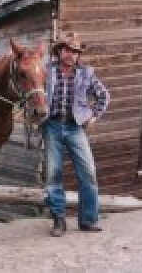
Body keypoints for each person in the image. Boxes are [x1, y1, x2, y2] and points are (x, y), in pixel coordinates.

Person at [42, 32, 110, 237]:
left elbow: (104, 96)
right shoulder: (47, 70)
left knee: (88, 172)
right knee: (53, 174)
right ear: (59, 51)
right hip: (52, 126)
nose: (71, 54)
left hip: (75, 128)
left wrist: (94, 116)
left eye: (75, 52)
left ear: (79, 55)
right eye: (67, 50)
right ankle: (59, 221)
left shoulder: (86, 73)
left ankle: (88, 220)